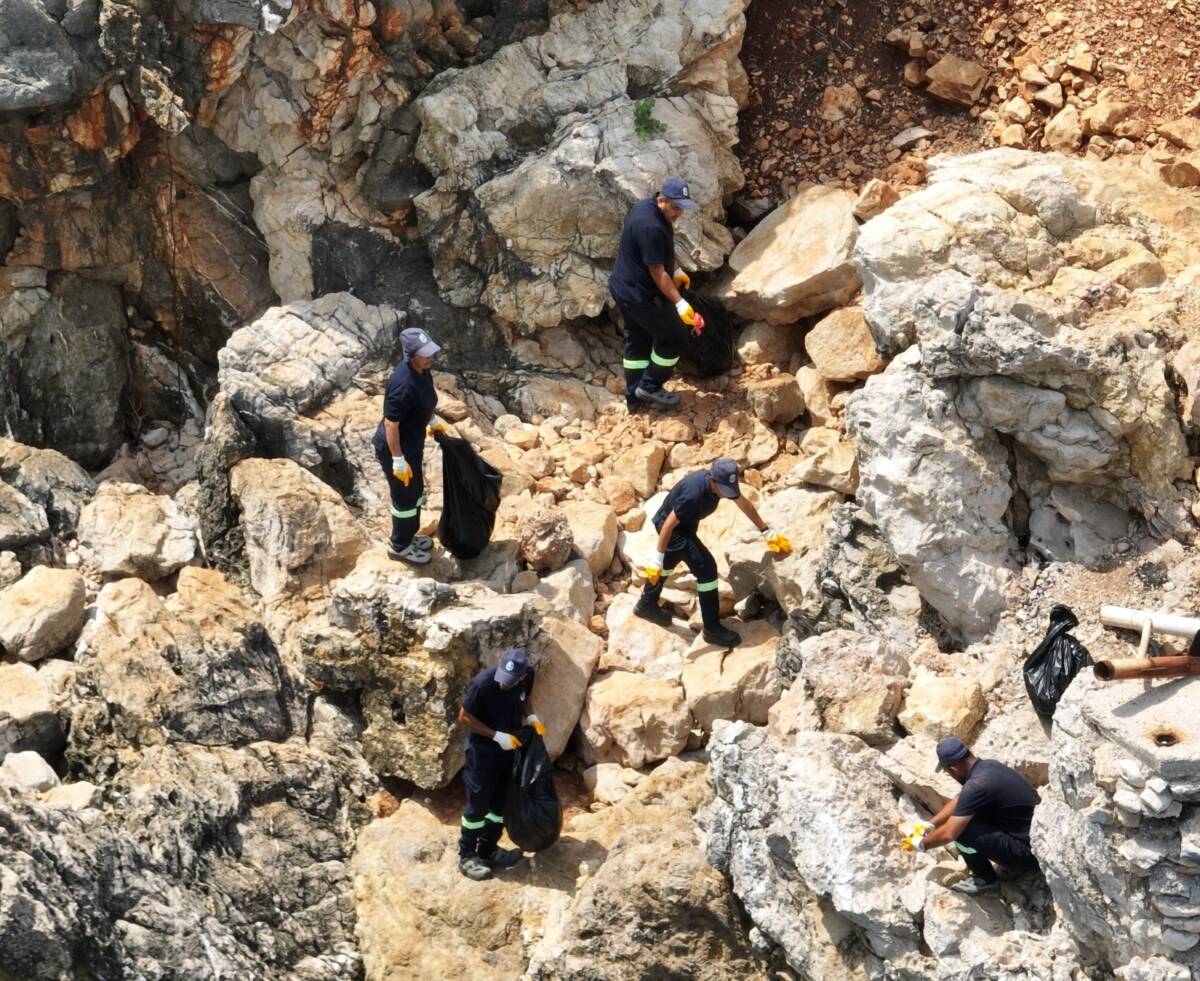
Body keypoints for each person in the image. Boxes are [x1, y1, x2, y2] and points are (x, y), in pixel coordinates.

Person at [636, 458, 791, 648]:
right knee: (707, 569)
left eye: (729, 489)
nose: (726, 494)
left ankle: (647, 604)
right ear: (712, 480)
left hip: (686, 524)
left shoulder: (724, 483)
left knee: (672, 559)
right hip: (674, 529)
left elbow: (744, 504)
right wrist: (656, 557)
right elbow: (668, 524)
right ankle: (711, 628)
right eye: (723, 489)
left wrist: (766, 531)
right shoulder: (694, 495)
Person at [609, 177, 706, 411]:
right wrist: (680, 302)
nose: (679, 213)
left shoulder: (648, 208)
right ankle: (650, 386)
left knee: (638, 339)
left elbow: (663, 251)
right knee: (674, 338)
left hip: (623, 287)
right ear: (662, 199)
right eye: (675, 207)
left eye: (682, 208)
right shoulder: (650, 226)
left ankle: (634, 400)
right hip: (639, 294)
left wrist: (678, 268)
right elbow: (657, 272)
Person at [902, 737, 1041, 895]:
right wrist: (929, 825)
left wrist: (921, 844)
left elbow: (949, 833)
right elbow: (960, 800)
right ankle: (1007, 859)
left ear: (953, 769)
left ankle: (985, 880)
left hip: (1030, 856)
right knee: (967, 813)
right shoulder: (988, 767)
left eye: (947, 771)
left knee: (963, 831)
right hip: (1038, 841)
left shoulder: (975, 786)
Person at [456, 648, 545, 881]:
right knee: (478, 805)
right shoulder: (483, 684)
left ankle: (487, 850)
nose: (504, 685)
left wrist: (532, 718)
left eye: (511, 681)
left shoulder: (528, 676)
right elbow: (464, 716)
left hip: (509, 750)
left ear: (522, 676)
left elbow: (525, 698)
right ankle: (467, 855)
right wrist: (495, 735)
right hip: (483, 753)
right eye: (503, 679)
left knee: (499, 804)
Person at [371, 327, 446, 565]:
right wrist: (398, 460)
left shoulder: (423, 371)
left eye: (431, 352)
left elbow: (425, 400)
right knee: (404, 500)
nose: (430, 357)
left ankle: (409, 535)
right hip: (396, 449)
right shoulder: (402, 384)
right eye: (425, 354)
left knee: (415, 493)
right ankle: (399, 545)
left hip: (412, 445)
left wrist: (432, 421)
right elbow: (391, 425)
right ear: (411, 355)